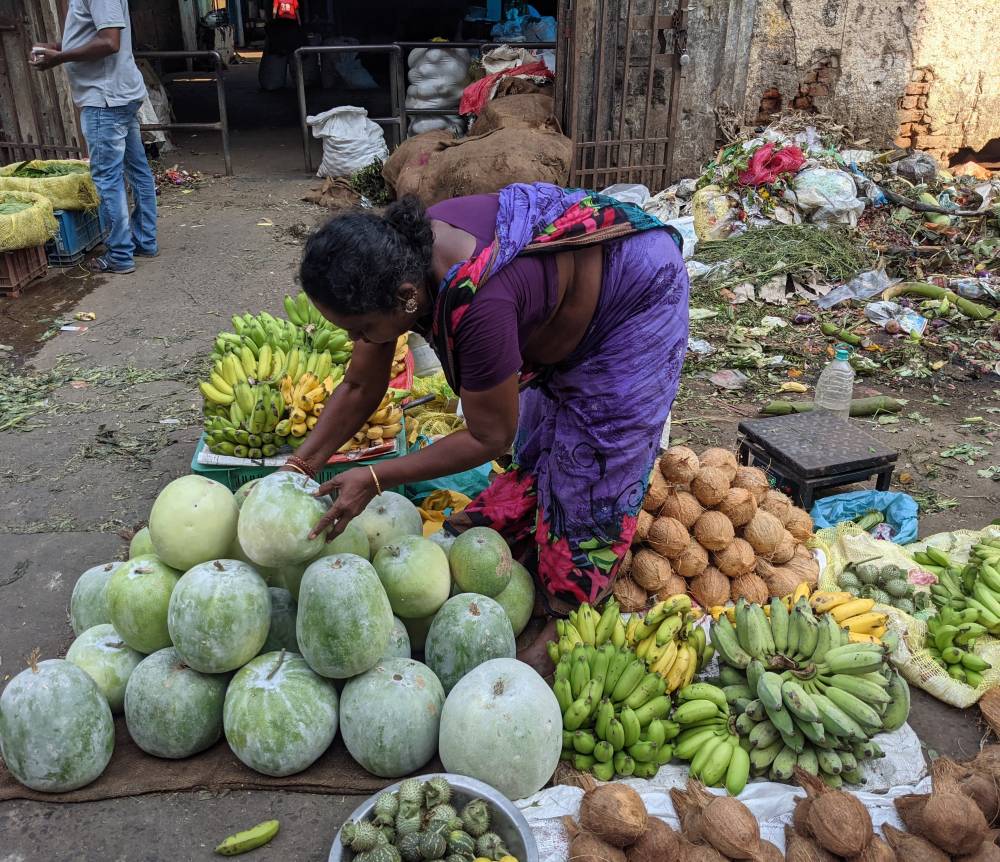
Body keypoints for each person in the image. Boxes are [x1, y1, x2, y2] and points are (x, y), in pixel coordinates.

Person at [292, 182, 689, 666]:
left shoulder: (477, 303)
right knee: (542, 448)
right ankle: (532, 545)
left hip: (634, 294)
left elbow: (489, 436)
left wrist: (377, 477)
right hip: (565, 308)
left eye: (360, 330)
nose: (358, 340)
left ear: (405, 298)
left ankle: (568, 611)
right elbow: (359, 387)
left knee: (594, 466)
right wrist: (300, 464)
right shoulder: (401, 263)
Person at [30, 0, 158, 274]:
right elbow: (92, 33)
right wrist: (58, 46)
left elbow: (109, 41)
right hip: (115, 94)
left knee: (107, 177)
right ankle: (144, 240)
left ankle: (120, 255)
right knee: (137, 170)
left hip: (105, 99)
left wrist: (60, 58)